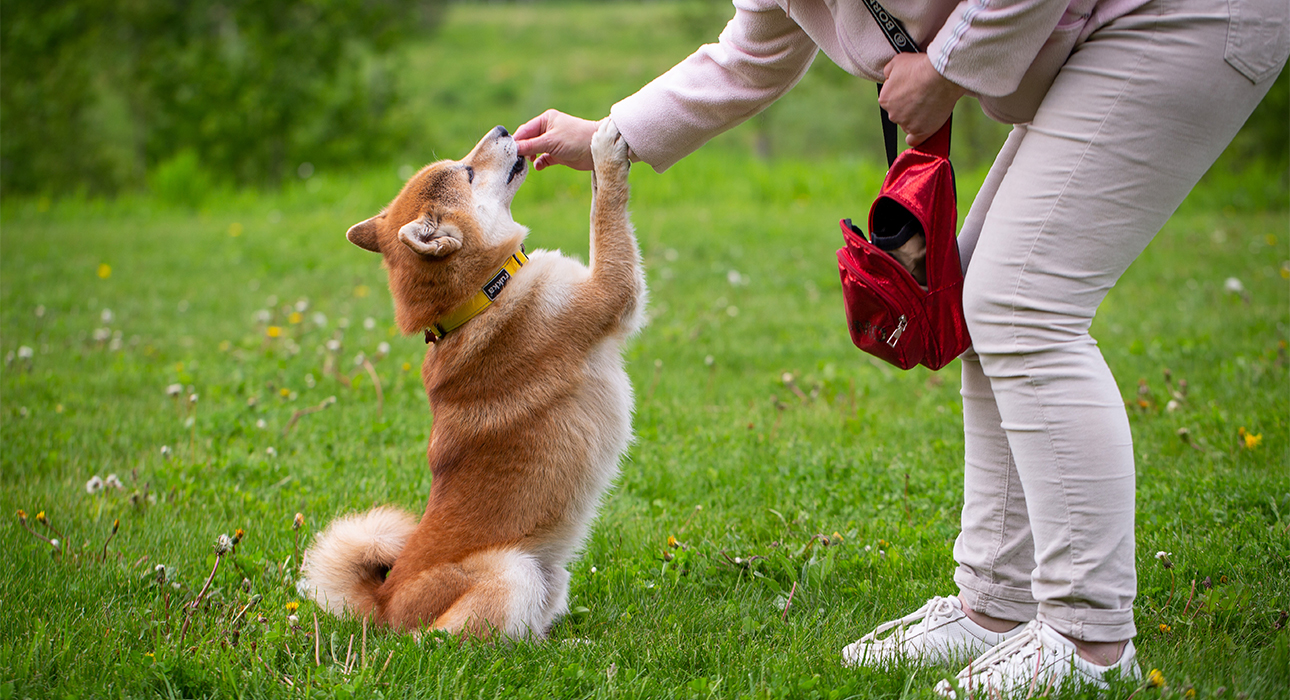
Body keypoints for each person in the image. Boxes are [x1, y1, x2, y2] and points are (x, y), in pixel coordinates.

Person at [515, 0, 1288, 695]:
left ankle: (1088, 639)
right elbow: (753, 50)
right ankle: (994, 605)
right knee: (987, 297)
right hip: (1106, 32)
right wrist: (609, 136)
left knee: (1022, 305)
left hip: (1179, 18)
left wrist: (946, 71)